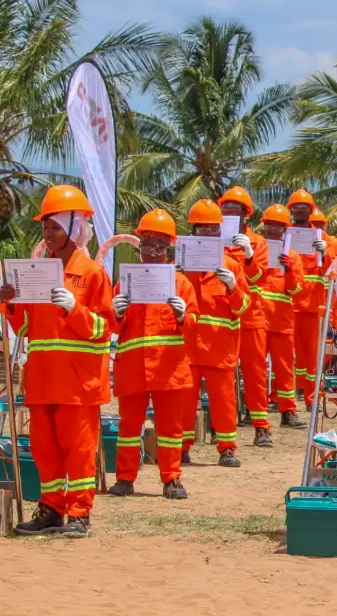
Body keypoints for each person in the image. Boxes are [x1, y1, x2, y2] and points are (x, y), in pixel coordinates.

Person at [0, 186, 113, 536]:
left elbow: (104, 329)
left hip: (78, 384)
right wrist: (11, 303)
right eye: (45, 227)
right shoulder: (36, 272)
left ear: (75, 228)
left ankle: (79, 514)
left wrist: (74, 309)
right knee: (44, 450)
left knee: (78, 451)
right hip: (42, 380)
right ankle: (51, 510)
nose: (48, 234)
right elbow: (25, 327)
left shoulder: (93, 274)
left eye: (54, 227)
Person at [109, 209, 199, 500]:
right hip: (133, 367)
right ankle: (124, 478)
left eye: (158, 246)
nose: (151, 251)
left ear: (168, 248)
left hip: (168, 368)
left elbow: (193, 326)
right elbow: (113, 326)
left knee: (171, 428)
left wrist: (183, 315)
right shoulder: (126, 282)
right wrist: (116, 313)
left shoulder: (182, 284)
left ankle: (172, 478)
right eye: (146, 245)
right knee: (128, 426)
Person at [181, 199, 249, 468]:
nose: (207, 233)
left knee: (224, 402)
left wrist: (233, 288)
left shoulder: (232, 266)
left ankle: (227, 449)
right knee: (184, 402)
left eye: (212, 229)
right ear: (193, 231)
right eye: (202, 228)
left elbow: (243, 308)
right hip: (188, 349)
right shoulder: (181, 265)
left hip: (220, 349)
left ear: (220, 231)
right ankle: (181, 448)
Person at [218, 186, 273, 445]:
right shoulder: (212, 239)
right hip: (221, 316)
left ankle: (261, 427)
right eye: (225, 209)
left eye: (235, 209)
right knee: (222, 376)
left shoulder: (258, 242)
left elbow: (260, 277)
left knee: (255, 373)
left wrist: (249, 255)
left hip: (251, 316)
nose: (229, 213)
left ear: (245, 214)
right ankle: (219, 428)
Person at [257, 203, 306, 431]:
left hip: (282, 321)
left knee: (285, 369)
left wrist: (290, 271)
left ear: (286, 229)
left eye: (279, 226)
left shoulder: (292, 256)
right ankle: (256, 412)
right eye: (271, 225)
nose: (274, 229)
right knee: (257, 370)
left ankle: (288, 412)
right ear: (264, 226)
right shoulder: (256, 250)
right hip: (258, 319)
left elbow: (297, 290)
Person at [286, 189, 330, 411]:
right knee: (288, 356)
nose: (300, 210)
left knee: (312, 357)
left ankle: (312, 398)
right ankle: (283, 397)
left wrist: (326, 253)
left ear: (311, 210)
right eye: (296, 206)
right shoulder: (284, 235)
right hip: (288, 304)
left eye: (304, 207)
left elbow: (332, 271)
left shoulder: (322, 238)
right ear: (291, 210)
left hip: (313, 306)